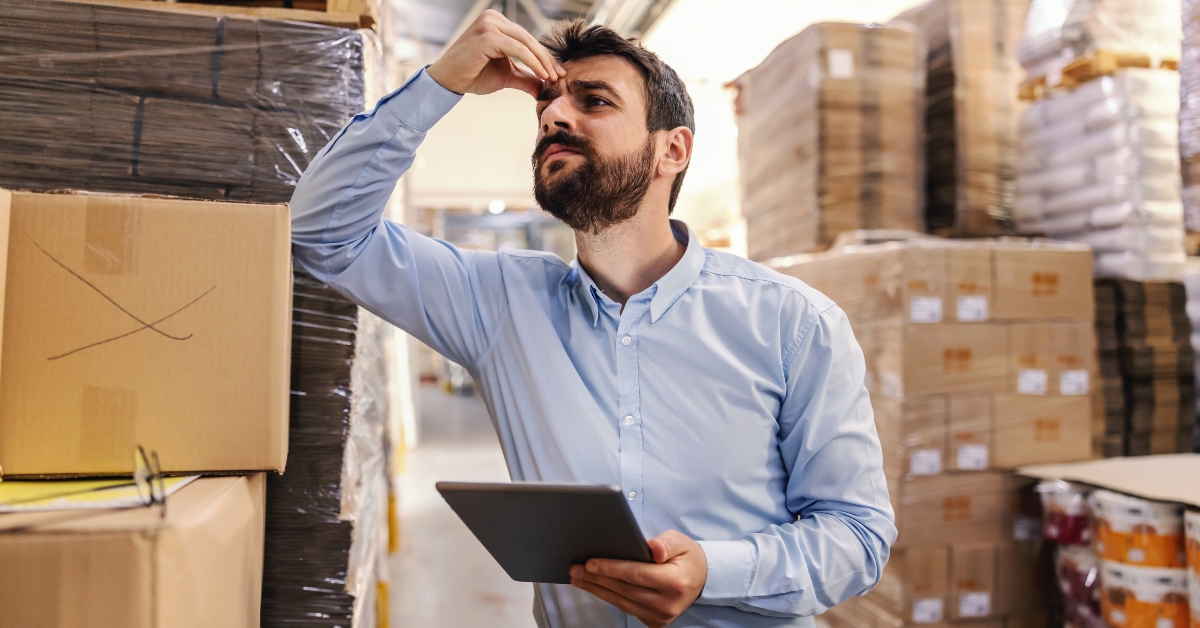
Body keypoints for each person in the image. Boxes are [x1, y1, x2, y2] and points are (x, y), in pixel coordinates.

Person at [290, 10, 895, 628]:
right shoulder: (499, 303)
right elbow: (320, 233)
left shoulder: (794, 323)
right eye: (547, 104)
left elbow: (859, 536)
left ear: (672, 150)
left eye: (595, 101)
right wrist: (439, 84)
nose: (554, 115)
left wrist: (715, 570)